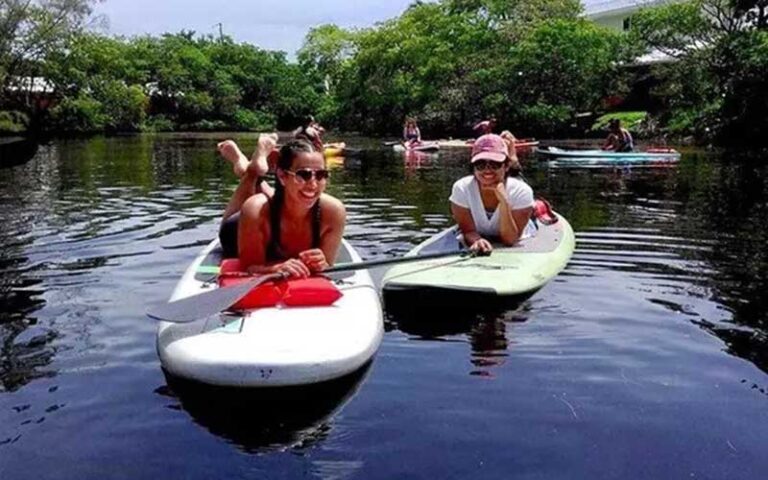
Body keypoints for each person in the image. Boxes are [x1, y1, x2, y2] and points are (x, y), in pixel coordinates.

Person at [217, 135, 346, 277]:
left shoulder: (334, 211)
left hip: (283, 198)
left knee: (293, 194)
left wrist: (323, 264)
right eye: (303, 174)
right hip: (238, 232)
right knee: (262, 201)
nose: (314, 185)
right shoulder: (255, 210)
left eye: (321, 175)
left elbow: (328, 265)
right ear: (282, 175)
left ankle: (250, 169)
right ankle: (251, 171)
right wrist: (274, 269)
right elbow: (250, 267)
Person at [449, 132, 536, 254]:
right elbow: (468, 231)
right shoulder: (461, 188)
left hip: (517, 234)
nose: (487, 170)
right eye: (480, 165)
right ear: (473, 167)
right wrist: (477, 241)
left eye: (495, 164)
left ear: (506, 166)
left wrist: (504, 202)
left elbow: (510, 240)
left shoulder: (522, 191)